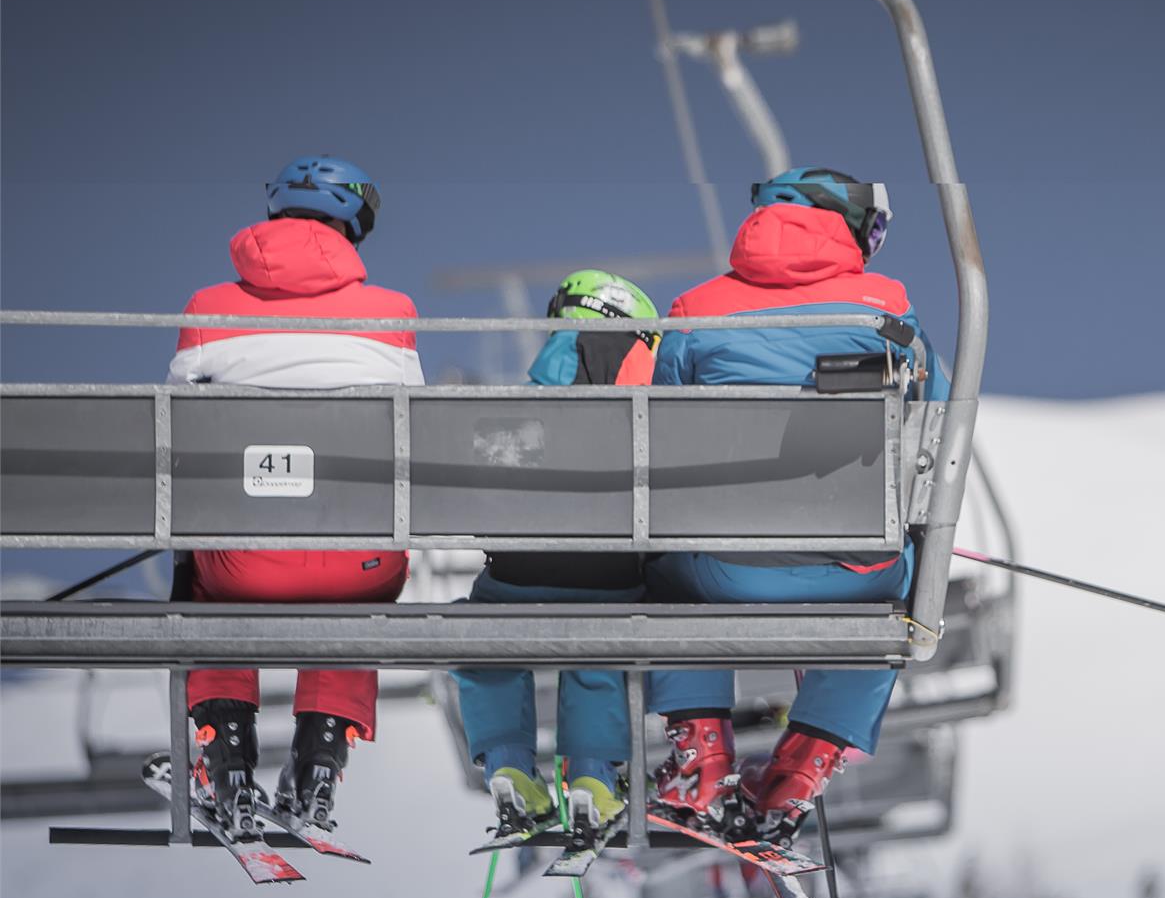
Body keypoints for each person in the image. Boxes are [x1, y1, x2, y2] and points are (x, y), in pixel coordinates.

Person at [644, 167, 949, 843]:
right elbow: (938, 421)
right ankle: (799, 770)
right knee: (894, 595)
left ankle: (701, 754)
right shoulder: (886, 306)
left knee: (661, 572)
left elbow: (654, 427)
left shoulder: (695, 307)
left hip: (720, 568)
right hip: (851, 567)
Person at [167, 155, 421, 833]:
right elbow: (414, 429)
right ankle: (319, 762)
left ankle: (226, 755)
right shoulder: (391, 313)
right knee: (362, 583)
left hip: (245, 562)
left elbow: (178, 430)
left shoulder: (207, 307)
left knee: (200, 572)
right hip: (359, 561)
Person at [452, 270, 659, 837]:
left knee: (481, 628)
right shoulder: (653, 402)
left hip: (517, 578)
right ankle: (592, 776)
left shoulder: (514, 409)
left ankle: (509, 767)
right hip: (613, 576)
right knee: (601, 638)